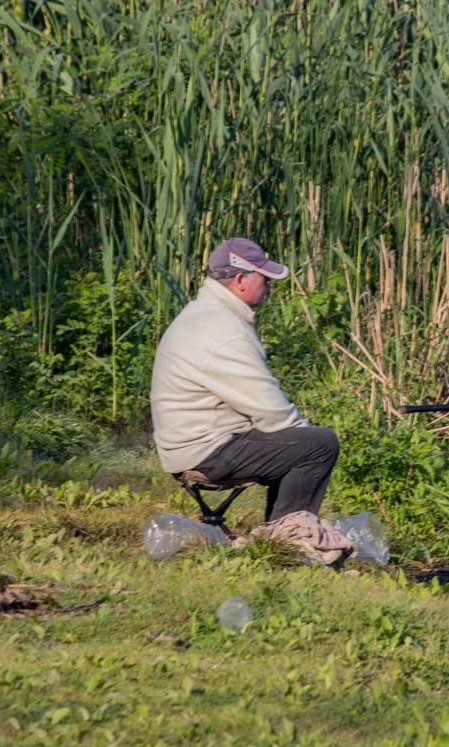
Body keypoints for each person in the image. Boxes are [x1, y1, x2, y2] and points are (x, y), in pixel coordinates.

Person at [150, 237, 352, 565]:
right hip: (204, 449)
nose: (269, 284)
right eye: (264, 277)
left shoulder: (204, 314)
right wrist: (303, 434)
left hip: (191, 442)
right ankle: (287, 543)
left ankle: (281, 535)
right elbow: (271, 411)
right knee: (319, 444)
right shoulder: (223, 330)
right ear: (241, 280)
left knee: (296, 443)